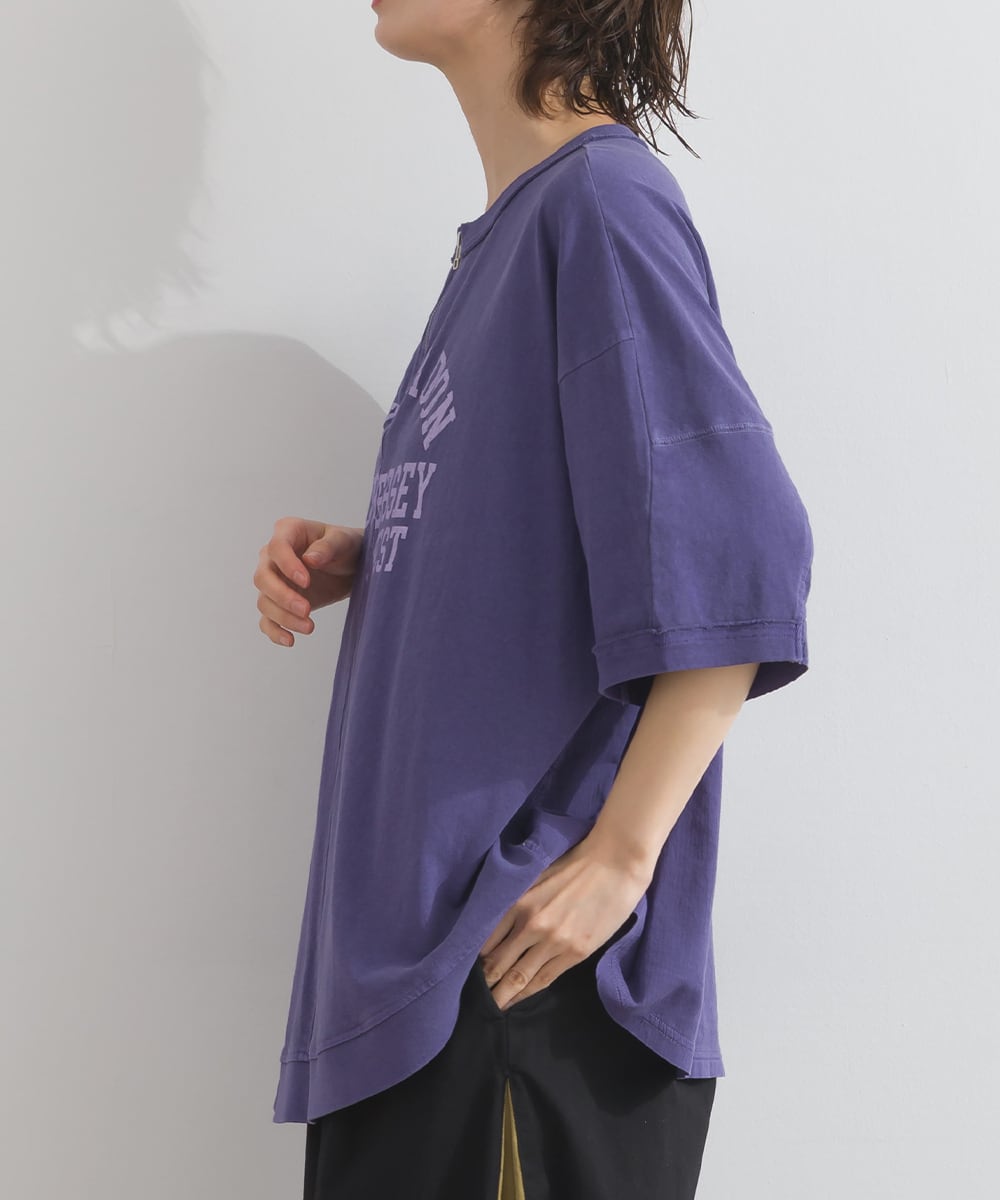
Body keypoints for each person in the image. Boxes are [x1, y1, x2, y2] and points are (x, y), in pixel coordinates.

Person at [253, 2, 815, 1197]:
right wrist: (389, 553)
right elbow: (587, 521)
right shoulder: (511, 234)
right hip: (424, 995)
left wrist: (619, 858)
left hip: (518, 987)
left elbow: (740, 551)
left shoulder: (600, 205)